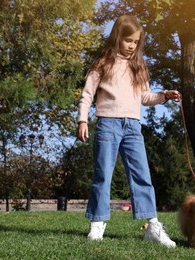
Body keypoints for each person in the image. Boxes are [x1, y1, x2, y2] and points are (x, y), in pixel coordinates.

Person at [76, 15, 180, 248]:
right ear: (117, 38)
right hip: (107, 125)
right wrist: (82, 121)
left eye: (136, 42)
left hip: (133, 127)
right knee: (103, 175)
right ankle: (98, 223)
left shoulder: (139, 66)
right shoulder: (102, 63)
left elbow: (145, 97)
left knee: (142, 175)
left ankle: (152, 226)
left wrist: (164, 96)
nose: (132, 45)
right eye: (128, 40)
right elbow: (87, 95)